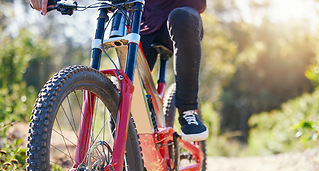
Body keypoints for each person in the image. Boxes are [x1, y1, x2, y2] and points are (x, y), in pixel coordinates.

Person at [30, 0, 208, 142]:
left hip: (179, 19)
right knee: (122, 87)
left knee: (181, 17)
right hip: (142, 23)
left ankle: (188, 111)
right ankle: (130, 158)